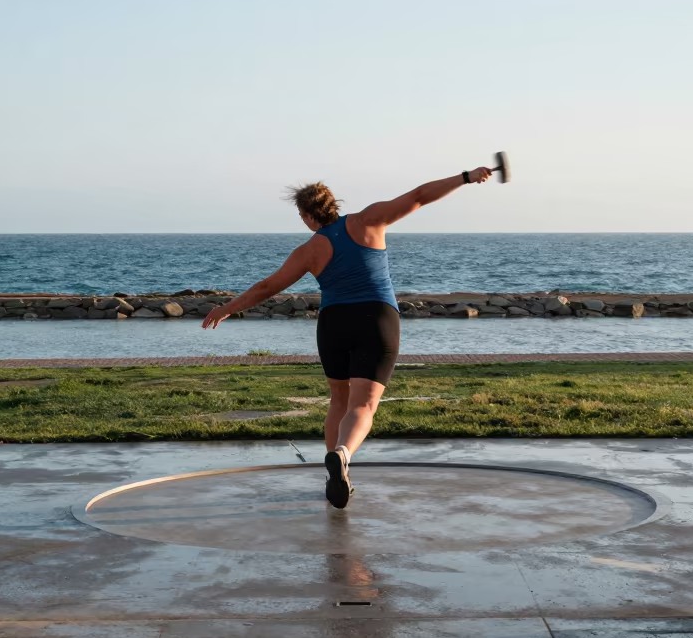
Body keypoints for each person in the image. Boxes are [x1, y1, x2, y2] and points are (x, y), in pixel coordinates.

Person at [202, 166, 494, 508]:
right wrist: (465, 177)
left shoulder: (308, 251)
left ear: (310, 215)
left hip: (334, 323)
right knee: (364, 405)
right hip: (377, 318)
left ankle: (334, 475)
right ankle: (342, 454)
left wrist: (226, 308)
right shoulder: (369, 220)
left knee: (338, 401)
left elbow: (267, 288)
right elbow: (418, 196)